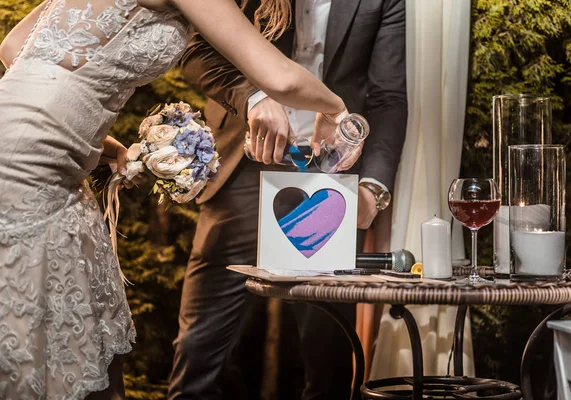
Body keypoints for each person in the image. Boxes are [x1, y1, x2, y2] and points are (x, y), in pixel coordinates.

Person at [0, 0, 359, 397]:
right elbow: (281, 78)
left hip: (29, 148)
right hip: (33, 170)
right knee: (58, 351)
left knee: (75, 352)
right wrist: (336, 108)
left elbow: (14, 47)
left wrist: (87, 137)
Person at [169, 0, 407, 398]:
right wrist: (254, 97)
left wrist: (372, 188)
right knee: (199, 348)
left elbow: (388, 97)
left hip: (329, 177)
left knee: (328, 351)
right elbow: (196, 51)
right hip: (243, 165)